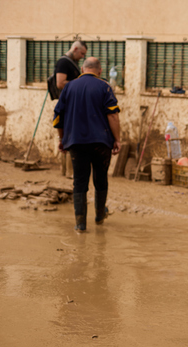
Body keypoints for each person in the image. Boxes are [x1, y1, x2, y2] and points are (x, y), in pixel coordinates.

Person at [53, 57, 121, 232]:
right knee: (101, 178)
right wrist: (117, 139)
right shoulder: (104, 86)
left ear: (82, 69)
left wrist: (62, 139)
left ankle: (80, 224)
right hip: (101, 143)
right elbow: (113, 115)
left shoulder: (69, 87)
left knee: (80, 181)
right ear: (99, 71)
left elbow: (58, 116)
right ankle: (99, 216)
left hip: (76, 142)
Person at [54, 41, 88, 179]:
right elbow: (60, 83)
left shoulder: (70, 62)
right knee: (71, 136)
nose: (82, 57)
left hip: (73, 103)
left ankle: (67, 171)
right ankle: (69, 172)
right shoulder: (63, 62)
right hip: (68, 104)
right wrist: (79, 83)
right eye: (81, 53)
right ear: (75, 49)